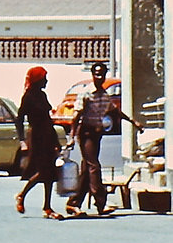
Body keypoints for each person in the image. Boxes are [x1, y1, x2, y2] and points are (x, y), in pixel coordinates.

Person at [65, 61, 141, 217]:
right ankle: (101, 203)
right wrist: (72, 137)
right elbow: (76, 116)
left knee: (87, 170)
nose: (99, 77)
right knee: (94, 167)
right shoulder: (86, 93)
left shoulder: (103, 94)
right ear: (92, 75)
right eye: (96, 74)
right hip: (86, 134)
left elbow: (115, 112)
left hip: (96, 134)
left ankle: (73, 203)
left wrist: (133, 122)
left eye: (102, 74)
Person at [13, 66, 64, 220]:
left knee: (50, 173)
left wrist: (56, 141)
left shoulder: (42, 95)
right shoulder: (28, 97)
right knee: (42, 171)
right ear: (37, 80)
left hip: (47, 135)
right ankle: (22, 195)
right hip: (36, 136)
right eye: (44, 78)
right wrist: (22, 139)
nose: (46, 81)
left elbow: (48, 120)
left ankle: (47, 207)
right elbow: (19, 118)